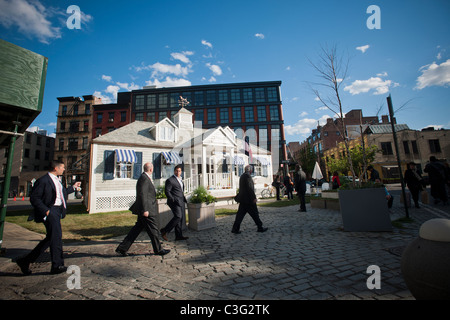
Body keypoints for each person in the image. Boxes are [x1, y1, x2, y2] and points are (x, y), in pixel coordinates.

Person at [16, 160, 81, 275]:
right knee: (56, 238)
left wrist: (73, 188)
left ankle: (25, 261)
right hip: (50, 211)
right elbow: (35, 198)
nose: (64, 169)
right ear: (56, 168)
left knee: (51, 238)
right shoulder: (43, 180)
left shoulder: (57, 180)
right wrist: (46, 211)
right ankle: (57, 265)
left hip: (57, 211)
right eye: (62, 167)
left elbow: (62, 193)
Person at [116, 163, 170, 256]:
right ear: (151, 169)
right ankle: (158, 249)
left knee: (136, 229)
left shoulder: (145, 178)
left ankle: (122, 248)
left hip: (146, 209)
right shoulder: (144, 178)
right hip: (147, 210)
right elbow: (142, 195)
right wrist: (145, 210)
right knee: (153, 229)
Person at [232, 165, 268, 234]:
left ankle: (235, 228)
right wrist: (253, 198)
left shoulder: (242, 176)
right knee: (254, 214)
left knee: (240, 215)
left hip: (243, 199)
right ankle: (260, 227)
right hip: (248, 200)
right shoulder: (248, 177)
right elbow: (250, 188)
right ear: (250, 170)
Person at [160, 165, 189, 241]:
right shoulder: (170, 180)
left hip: (181, 201)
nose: (178, 172)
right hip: (174, 202)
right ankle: (164, 231)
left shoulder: (180, 180)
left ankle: (178, 236)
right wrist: (172, 199)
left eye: (179, 171)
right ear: (174, 171)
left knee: (180, 218)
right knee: (178, 216)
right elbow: (167, 191)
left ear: (181, 172)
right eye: (176, 171)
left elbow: (180, 191)